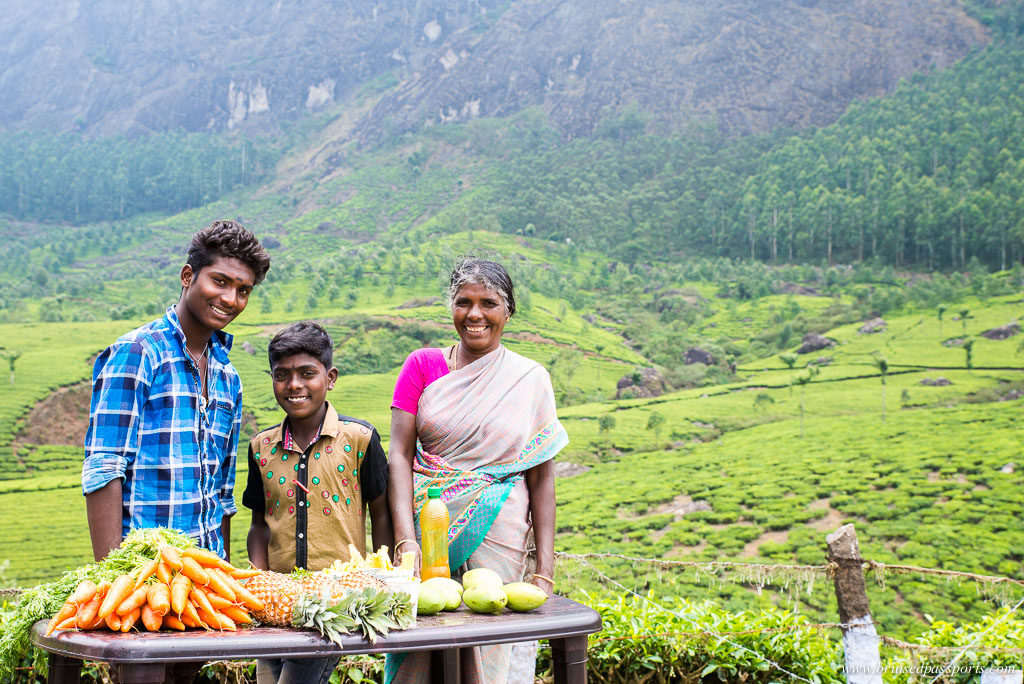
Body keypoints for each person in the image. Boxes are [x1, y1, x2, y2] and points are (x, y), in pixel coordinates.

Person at [386, 258, 568, 684]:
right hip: (428, 533)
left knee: (488, 649)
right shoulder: (422, 365)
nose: (475, 314)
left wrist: (544, 568)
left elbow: (541, 478)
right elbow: (399, 455)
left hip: (500, 531)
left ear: (508, 312)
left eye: (489, 303)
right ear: (450, 307)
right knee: (423, 644)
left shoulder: (530, 379)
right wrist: (405, 542)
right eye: (463, 302)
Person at [83, 220, 270, 563]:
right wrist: (110, 580)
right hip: (143, 574)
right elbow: (104, 470)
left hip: (206, 576)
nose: (230, 299)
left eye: (243, 290)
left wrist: (223, 570)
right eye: (220, 281)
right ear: (188, 276)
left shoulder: (228, 377)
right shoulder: (139, 353)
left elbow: (222, 494)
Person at [243, 322, 392, 684]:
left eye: (307, 373)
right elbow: (259, 524)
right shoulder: (261, 448)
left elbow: (382, 513)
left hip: (335, 603)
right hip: (276, 604)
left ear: (331, 377)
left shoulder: (360, 438)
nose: (294, 385)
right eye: (282, 375)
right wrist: (259, 586)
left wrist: (383, 585)